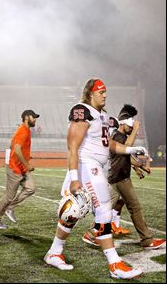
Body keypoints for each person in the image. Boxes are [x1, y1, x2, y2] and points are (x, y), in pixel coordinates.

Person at [44, 79, 146, 279]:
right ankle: (114, 264)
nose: (105, 95)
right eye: (101, 92)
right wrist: (74, 177)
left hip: (96, 166)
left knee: (72, 214)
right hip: (86, 166)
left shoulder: (104, 117)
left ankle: (54, 252)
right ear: (91, 93)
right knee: (103, 212)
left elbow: (109, 146)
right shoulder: (82, 110)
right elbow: (72, 146)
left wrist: (132, 149)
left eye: (106, 91)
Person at [107, 105, 165, 249]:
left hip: (117, 177)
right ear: (124, 123)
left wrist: (141, 166)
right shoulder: (119, 136)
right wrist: (137, 129)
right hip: (120, 178)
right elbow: (127, 146)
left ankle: (92, 232)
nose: (132, 128)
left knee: (106, 208)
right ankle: (146, 240)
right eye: (131, 124)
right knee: (135, 208)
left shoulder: (119, 136)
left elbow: (127, 156)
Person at [0, 110, 39, 229]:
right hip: (15, 169)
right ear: (27, 117)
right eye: (33, 117)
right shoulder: (23, 131)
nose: (35, 119)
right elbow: (16, 149)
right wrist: (27, 165)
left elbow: (13, 146)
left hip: (21, 168)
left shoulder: (26, 130)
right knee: (9, 196)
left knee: (30, 188)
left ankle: (10, 208)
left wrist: (26, 158)